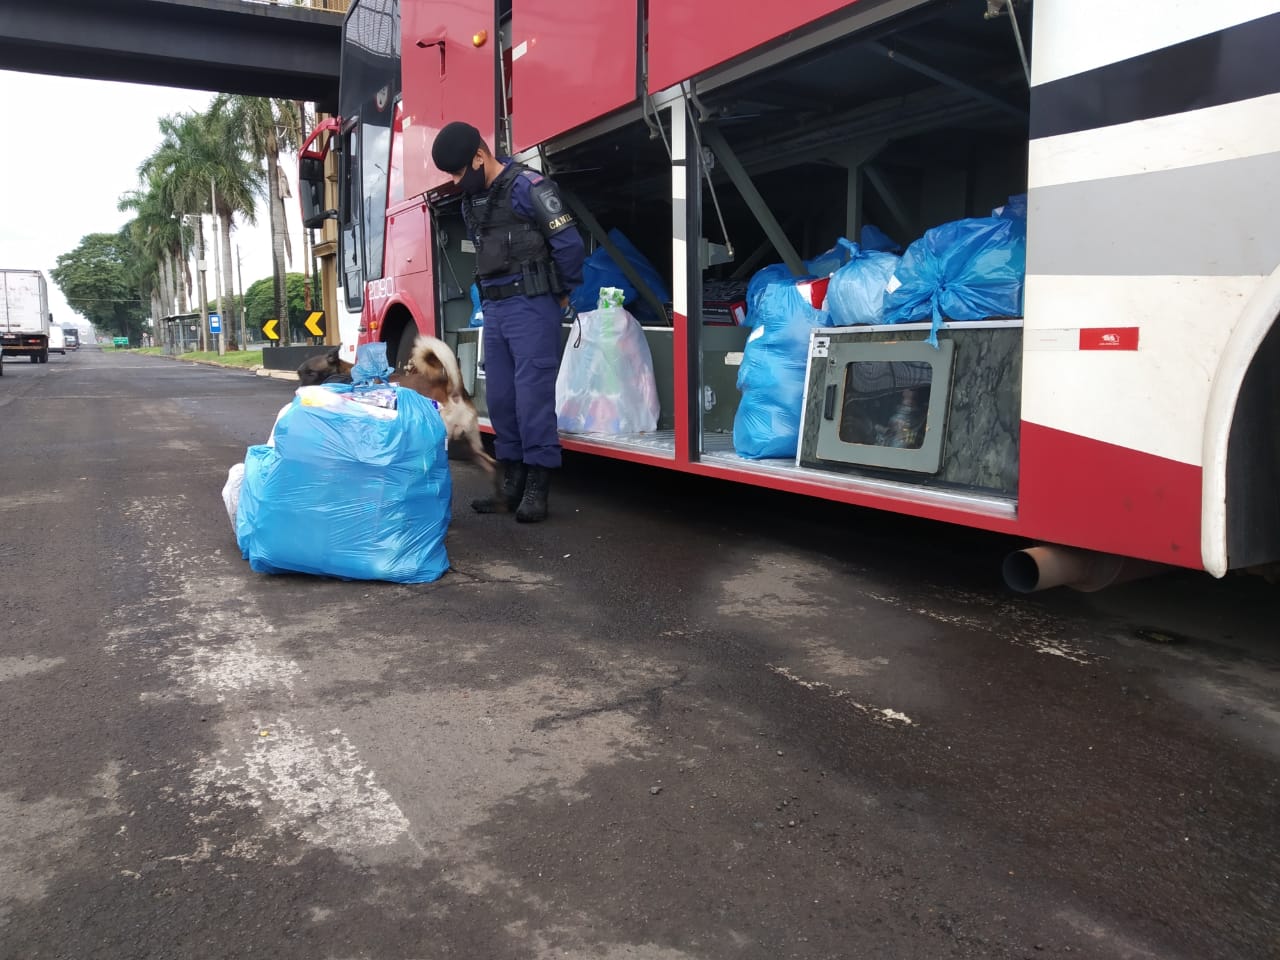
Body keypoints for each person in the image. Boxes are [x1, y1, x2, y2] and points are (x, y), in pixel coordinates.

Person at [431, 121, 585, 523]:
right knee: (500, 398)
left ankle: (538, 483)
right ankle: (512, 480)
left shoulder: (530, 187)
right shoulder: (472, 201)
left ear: (481, 157)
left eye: (460, 172)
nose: (455, 181)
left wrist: (563, 291)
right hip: (497, 310)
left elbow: (568, 244)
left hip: (533, 304)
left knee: (532, 397)